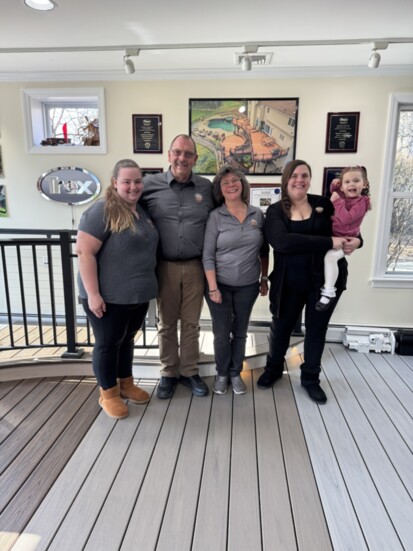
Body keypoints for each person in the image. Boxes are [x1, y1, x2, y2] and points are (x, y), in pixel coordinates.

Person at [257, 160, 361, 404]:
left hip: (324, 283)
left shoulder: (324, 204)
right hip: (288, 281)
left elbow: (348, 225)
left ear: (310, 179)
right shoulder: (275, 211)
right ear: (286, 180)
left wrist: (359, 241)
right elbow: (282, 242)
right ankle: (273, 369)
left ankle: (311, 379)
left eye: (304, 175)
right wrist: (327, 242)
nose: (299, 180)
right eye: (294, 176)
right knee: (281, 327)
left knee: (316, 330)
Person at [76, 159, 159, 419]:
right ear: (115, 183)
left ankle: (126, 383)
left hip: (136, 296)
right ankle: (108, 393)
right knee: (108, 344)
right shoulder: (101, 211)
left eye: (137, 181)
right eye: (126, 181)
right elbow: (84, 252)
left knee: (127, 341)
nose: (133, 186)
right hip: (109, 297)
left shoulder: (140, 211)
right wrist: (93, 295)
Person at [141, 134, 214, 399]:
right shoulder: (149, 185)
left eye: (188, 154)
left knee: (192, 324)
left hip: (196, 266)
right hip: (164, 266)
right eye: (177, 152)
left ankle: (190, 371)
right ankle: (169, 372)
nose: (182, 158)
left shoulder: (207, 188)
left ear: (195, 158)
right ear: (169, 155)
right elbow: (128, 212)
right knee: (166, 323)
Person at [203, 166, 269, 395]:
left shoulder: (257, 214)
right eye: (225, 182)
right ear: (220, 189)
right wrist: (212, 288)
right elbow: (207, 255)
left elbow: (264, 250)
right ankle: (222, 373)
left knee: (240, 332)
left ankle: (235, 372)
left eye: (235, 181)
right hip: (218, 285)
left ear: (242, 184)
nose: (231, 185)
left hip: (248, 286)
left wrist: (264, 278)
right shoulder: (215, 216)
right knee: (221, 333)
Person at [316, 166, 371, 311]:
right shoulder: (346, 196)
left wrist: (336, 201)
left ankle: (328, 291)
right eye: (347, 182)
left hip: (345, 239)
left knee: (330, 257)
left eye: (356, 180)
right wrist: (335, 185)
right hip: (335, 236)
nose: (351, 184)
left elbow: (346, 219)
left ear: (364, 184)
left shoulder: (362, 202)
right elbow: (335, 189)